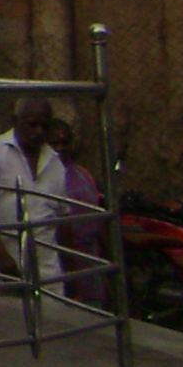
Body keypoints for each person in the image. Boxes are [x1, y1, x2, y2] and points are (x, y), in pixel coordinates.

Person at [0, 95, 64, 285]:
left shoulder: (55, 163)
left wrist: (70, 272)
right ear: (15, 122)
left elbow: (61, 219)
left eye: (45, 126)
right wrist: (4, 260)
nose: (39, 131)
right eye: (32, 125)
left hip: (46, 275)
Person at [44, 116, 106, 305]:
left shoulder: (83, 175)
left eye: (64, 142)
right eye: (54, 143)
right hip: (63, 260)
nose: (60, 148)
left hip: (91, 256)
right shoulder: (44, 179)